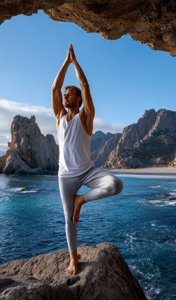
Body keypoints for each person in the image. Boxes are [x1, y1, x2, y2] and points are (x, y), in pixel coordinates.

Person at [51, 44, 124, 276]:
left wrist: (75, 62)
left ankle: (81, 199)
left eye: (69, 94)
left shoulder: (85, 117)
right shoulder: (60, 117)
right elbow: (54, 87)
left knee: (115, 185)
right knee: (68, 220)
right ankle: (73, 259)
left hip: (87, 171)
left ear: (79, 99)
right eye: (65, 94)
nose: (65, 96)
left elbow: (85, 85)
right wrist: (65, 61)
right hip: (65, 175)